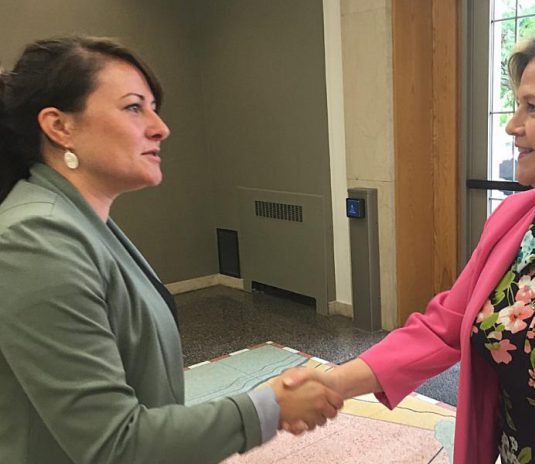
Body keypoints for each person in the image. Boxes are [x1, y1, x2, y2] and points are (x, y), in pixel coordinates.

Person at [282, 11, 535, 463]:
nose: (511, 125)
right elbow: (444, 328)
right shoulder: (516, 219)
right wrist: (335, 383)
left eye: (533, 108)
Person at [0, 36, 342, 464]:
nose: (160, 127)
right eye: (133, 107)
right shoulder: (35, 239)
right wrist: (269, 407)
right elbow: (116, 444)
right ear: (60, 126)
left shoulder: (77, 221)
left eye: (153, 108)